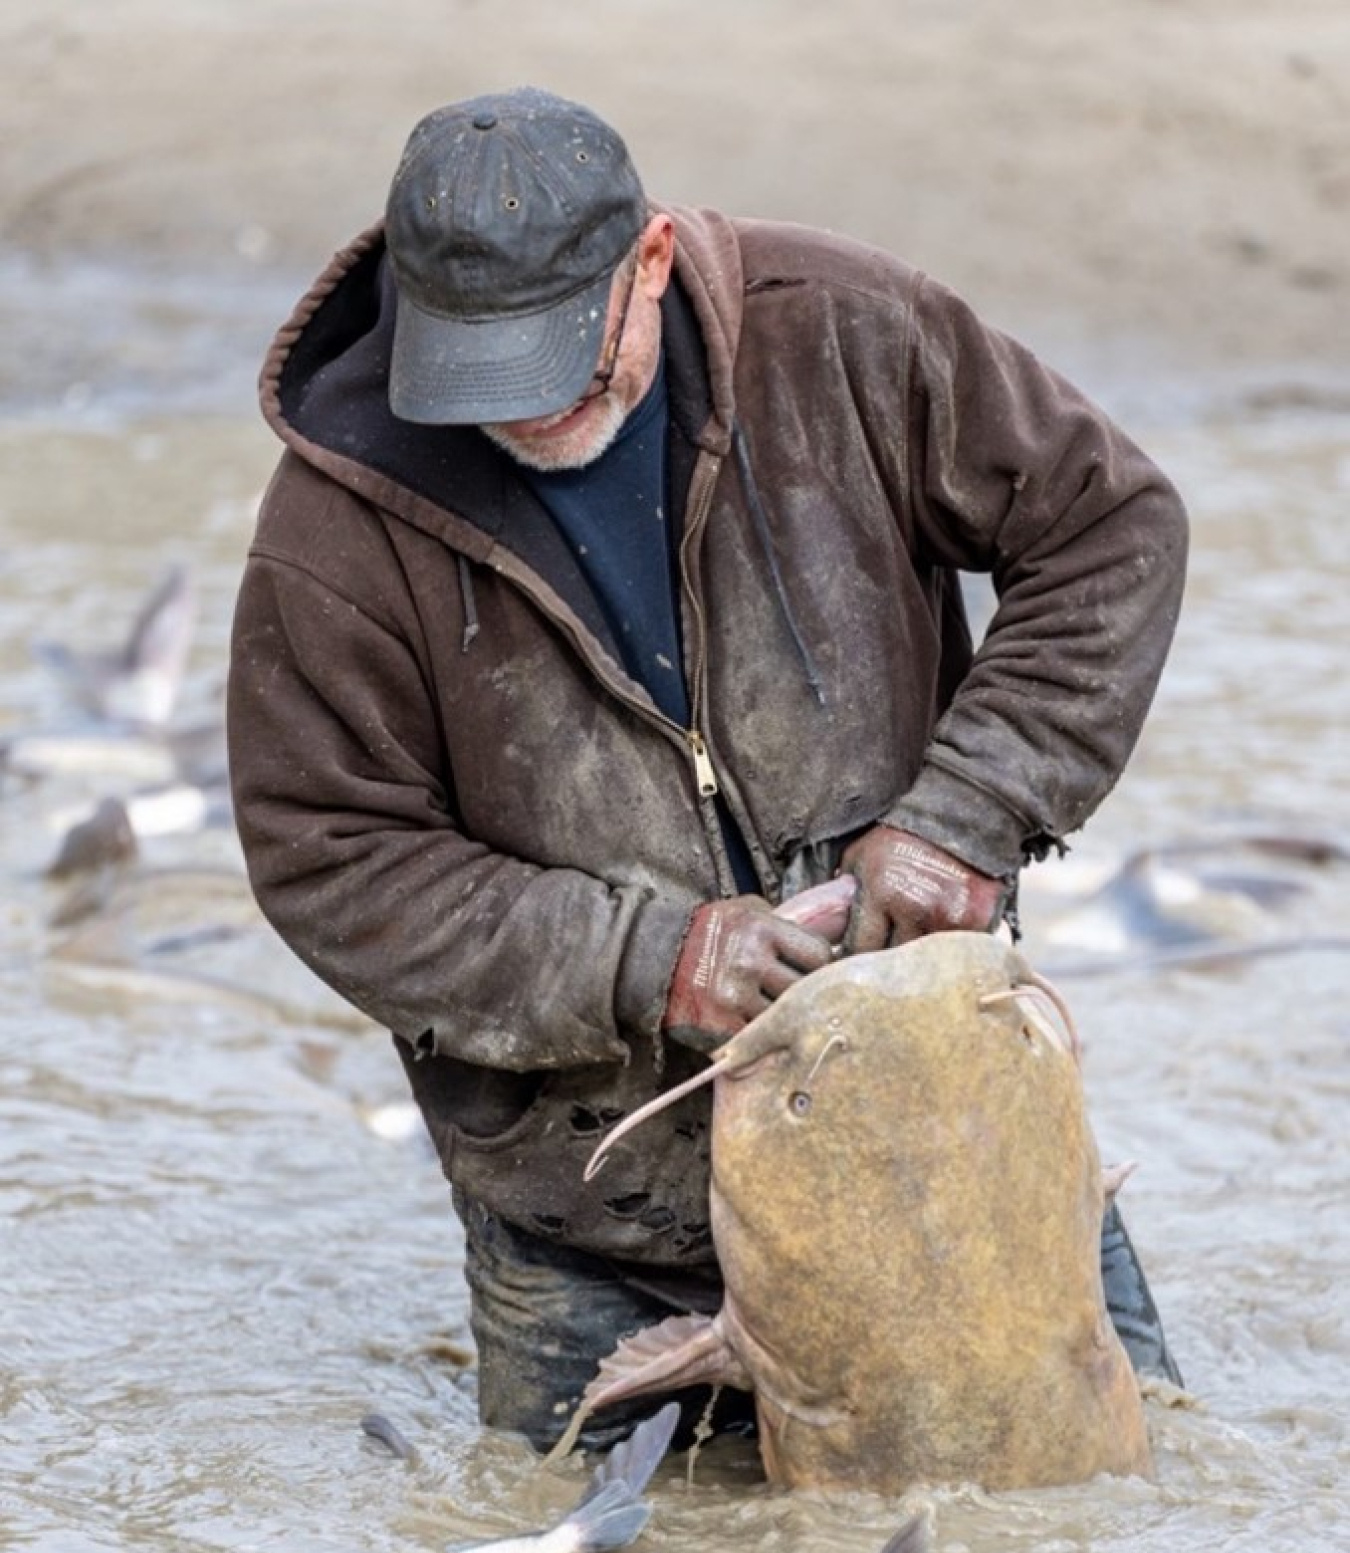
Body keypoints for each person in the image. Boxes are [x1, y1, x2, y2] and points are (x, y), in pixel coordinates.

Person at [227, 86, 1187, 1453]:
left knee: (1103, 1495)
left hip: (943, 1123)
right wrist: (650, 959)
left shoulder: (846, 327)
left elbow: (1111, 529)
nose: (530, 414)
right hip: (592, 1208)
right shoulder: (335, 521)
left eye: (567, 368)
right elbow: (331, 857)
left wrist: (965, 816)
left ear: (654, 259)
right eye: (481, 384)